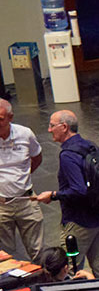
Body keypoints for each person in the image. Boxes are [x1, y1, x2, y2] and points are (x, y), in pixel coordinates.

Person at [35, 110, 99, 278]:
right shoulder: (90, 146)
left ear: (64, 127)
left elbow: (78, 189)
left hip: (79, 222)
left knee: (68, 268)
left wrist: (53, 195)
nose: (49, 130)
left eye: (52, 125)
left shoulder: (68, 155)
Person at [0, 98, 44, 260]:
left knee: (38, 252)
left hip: (26, 200)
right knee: (6, 255)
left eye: (0, 119)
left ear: (10, 117)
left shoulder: (25, 134)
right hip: (1, 206)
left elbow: (37, 157)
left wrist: (22, 177)